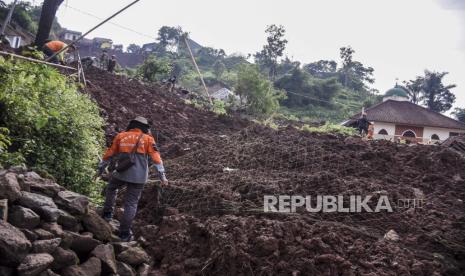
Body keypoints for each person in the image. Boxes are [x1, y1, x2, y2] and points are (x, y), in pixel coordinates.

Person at [98, 116, 168, 241]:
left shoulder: (121, 136)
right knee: (131, 203)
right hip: (139, 177)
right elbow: (156, 159)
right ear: (145, 128)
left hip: (121, 173)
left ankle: (107, 214)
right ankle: (124, 233)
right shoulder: (148, 139)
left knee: (112, 187)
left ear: (132, 125)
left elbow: (109, 154)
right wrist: (162, 176)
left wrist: (101, 169)